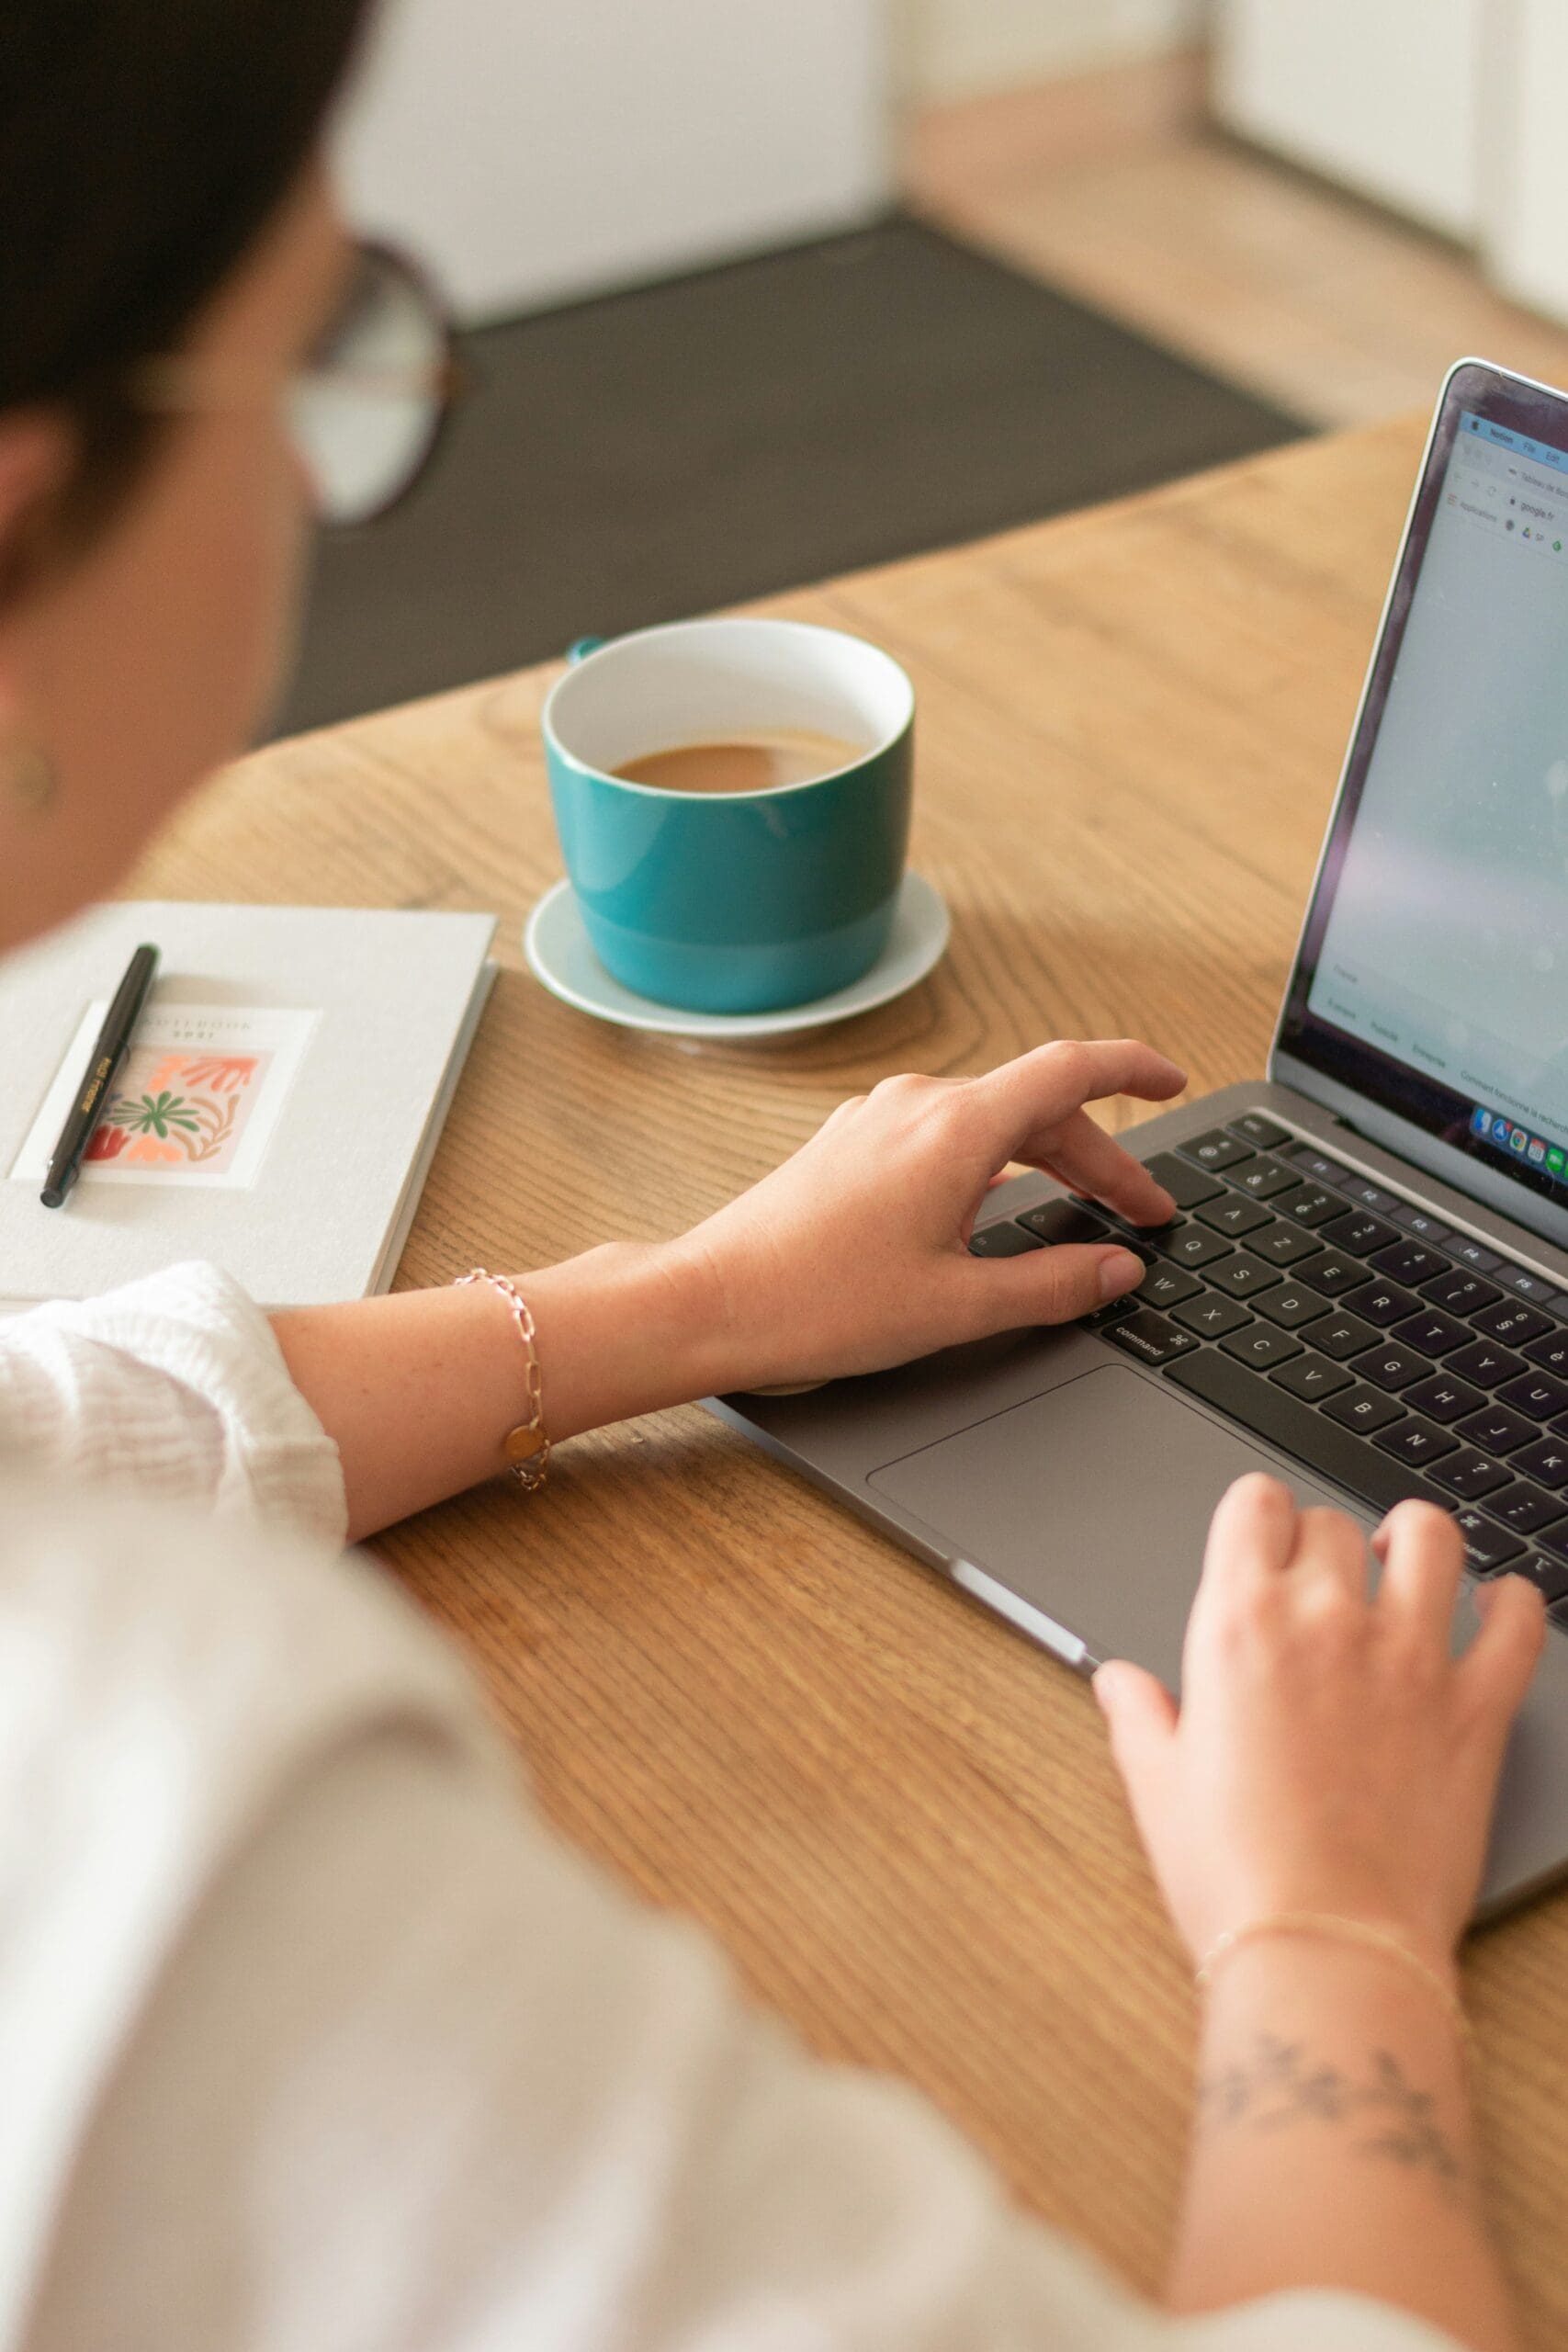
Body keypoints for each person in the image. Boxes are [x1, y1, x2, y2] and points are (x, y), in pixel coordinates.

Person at [0, 8, 1546, 2349]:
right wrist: (1322, 1936)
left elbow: (45, 1441)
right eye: (317, 351)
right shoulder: (170, 1824)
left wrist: (683, 1303)